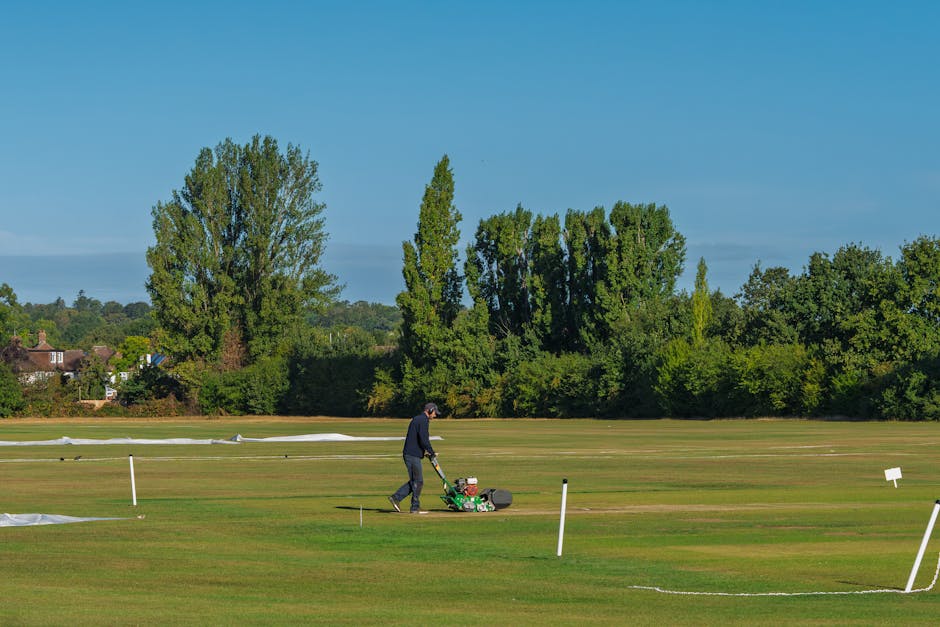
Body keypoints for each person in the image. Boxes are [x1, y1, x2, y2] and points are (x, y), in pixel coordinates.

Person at [388, 402, 439, 513]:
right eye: (434, 413)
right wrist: (431, 452)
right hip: (411, 455)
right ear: (429, 410)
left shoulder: (419, 419)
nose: (435, 416)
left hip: (412, 453)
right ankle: (414, 507)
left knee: (415, 481)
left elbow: (418, 439)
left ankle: (396, 498)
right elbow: (424, 439)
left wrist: (424, 452)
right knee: (418, 481)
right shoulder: (423, 420)